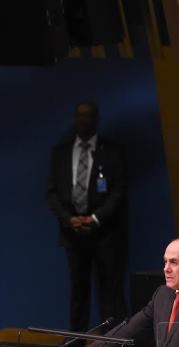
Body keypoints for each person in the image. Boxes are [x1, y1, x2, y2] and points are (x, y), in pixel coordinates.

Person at [47, 101, 128, 334]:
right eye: (81, 116)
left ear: (97, 119)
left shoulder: (112, 151)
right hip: (72, 233)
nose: (85, 120)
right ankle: (77, 341)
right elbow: (52, 193)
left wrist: (95, 218)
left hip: (105, 233)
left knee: (109, 291)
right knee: (78, 291)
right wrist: (68, 219)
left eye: (90, 116)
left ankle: (113, 341)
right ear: (74, 118)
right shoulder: (60, 152)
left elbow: (118, 191)